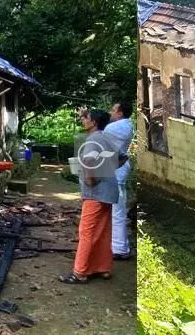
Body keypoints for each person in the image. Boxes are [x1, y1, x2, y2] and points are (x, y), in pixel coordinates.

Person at [59, 109, 119, 284]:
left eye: (86, 118)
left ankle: (80, 272)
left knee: (87, 232)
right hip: (109, 190)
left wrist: (91, 178)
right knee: (103, 231)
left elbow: (89, 162)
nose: (83, 120)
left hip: (96, 193)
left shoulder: (92, 139)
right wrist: (106, 171)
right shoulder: (106, 137)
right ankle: (103, 268)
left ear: (94, 123)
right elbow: (122, 158)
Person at [105, 101, 134, 260]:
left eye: (114, 110)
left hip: (115, 170)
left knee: (116, 211)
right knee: (118, 210)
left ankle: (119, 248)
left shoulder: (114, 128)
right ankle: (118, 246)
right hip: (119, 169)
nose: (111, 112)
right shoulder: (128, 126)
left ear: (120, 113)